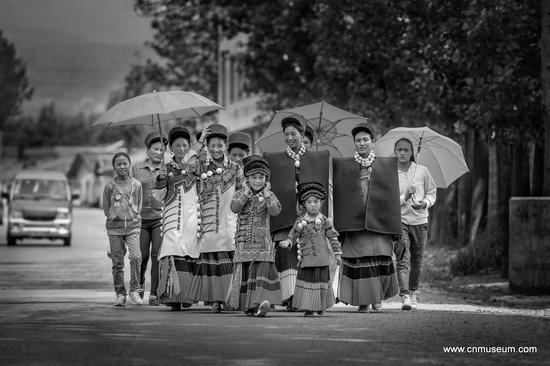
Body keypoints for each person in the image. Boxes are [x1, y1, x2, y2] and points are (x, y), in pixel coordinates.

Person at [264, 116, 330, 311]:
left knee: (309, 255)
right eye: (286, 135)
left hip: (308, 216)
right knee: (287, 254)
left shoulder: (317, 159)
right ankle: (290, 297)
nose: (290, 137)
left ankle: (310, 298)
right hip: (285, 216)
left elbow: (322, 189)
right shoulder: (276, 160)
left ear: (302, 135)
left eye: (294, 134)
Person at [332, 123, 401, 312]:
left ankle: (377, 296)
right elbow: (340, 196)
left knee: (378, 257)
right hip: (354, 223)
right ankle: (364, 301)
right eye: (358, 140)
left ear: (373, 142)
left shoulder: (386, 165)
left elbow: (391, 196)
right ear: (354, 143)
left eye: (365, 140)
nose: (362, 143)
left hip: (379, 221)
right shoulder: (344, 166)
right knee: (359, 260)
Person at [186, 123, 244, 313]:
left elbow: (243, 191)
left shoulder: (234, 167)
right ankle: (214, 300)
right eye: (212, 145)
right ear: (207, 147)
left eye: (220, 145)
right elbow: (187, 163)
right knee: (211, 257)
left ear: (226, 146)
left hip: (229, 219)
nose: (216, 149)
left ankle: (229, 299)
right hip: (209, 220)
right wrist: (200, 142)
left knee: (228, 257)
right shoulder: (202, 165)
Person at [226, 155, 282, 317]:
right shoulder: (239, 194)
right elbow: (234, 209)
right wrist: (245, 193)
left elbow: (275, 211)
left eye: (261, 177)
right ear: (247, 178)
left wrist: (266, 195)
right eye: (253, 177)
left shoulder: (269, 195)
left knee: (262, 274)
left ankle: (260, 303)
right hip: (244, 245)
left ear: (266, 179)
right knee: (247, 276)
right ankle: (251, 307)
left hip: (263, 247)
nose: (257, 181)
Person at [155, 127, 200, 311]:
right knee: (172, 251)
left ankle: (188, 296)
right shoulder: (164, 169)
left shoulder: (194, 167)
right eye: (177, 145)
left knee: (190, 251)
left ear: (189, 147)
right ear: (171, 148)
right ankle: (173, 296)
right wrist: (160, 179)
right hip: (173, 218)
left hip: (192, 217)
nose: (181, 149)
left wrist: (201, 141)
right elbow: (158, 197)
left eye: (184, 145)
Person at [280, 182, 342, 317]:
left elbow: (333, 238)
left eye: (316, 201)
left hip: (322, 259)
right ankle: (309, 308)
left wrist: (337, 254)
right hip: (307, 260)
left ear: (321, 203)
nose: (313, 205)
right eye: (309, 202)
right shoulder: (300, 221)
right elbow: (293, 235)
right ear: (304, 204)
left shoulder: (325, 221)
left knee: (321, 284)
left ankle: (320, 306)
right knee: (308, 283)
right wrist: (288, 242)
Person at [394, 137, 437, 310]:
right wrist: (405, 196)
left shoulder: (422, 171)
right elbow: (389, 201)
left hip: (420, 221)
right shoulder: (391, 173)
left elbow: (432, 193)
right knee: (402, 259)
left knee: (417, 261)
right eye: (399, 150)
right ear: (395, 152)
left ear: (412, 152)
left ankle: (413, 291)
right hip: (400, 221)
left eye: (406, 150)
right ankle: (404, 295)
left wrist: (424, 203)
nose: (402, 153)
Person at [131, 132, 167, 306]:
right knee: (142, 255)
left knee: (157, 256)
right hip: (141, 220)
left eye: (162, 149)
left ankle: (155, 293)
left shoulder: (167, 169)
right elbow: (130, 193)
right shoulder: (136, 169)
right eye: (155, 149)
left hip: (160, 218)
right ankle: (138, 287)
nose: (159, 152)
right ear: (147, 150)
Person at [103, 152, 143, 306]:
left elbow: (138, 206)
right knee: (117, 262)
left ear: (129, 164)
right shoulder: (109, 187)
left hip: (133, 227)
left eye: (125, 163)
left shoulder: (137, 185)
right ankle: (120, 293)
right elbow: (106, 210)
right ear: (114, 167)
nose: (122, 166)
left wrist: (132, 216)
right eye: (118, 164)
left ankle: (134, 290)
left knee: (135, 257)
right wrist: (116, 215)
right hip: (114, 229)